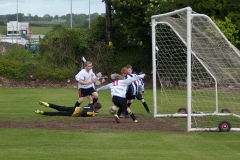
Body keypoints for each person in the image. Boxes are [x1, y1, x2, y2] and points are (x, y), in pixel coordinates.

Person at [34, 101, 102, 117]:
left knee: (60, 108)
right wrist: (93, 114)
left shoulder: (90, 106)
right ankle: (43, 112)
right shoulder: (91, 111)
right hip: (73, 113)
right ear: (96, 108)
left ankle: (48, 104)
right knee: (58, 113)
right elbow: (85, 114)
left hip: (74, 108)